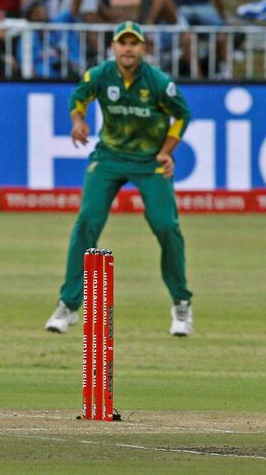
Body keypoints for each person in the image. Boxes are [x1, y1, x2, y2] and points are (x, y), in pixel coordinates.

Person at [44, 21, 194, 337]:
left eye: (134, 43)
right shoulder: (100, 75)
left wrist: (167, 151)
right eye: (122, 43)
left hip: (148, 160)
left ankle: (181, 303)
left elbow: (182, 114)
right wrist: (77, 121)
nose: (128, 48)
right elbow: (79, 96)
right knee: (87, 222)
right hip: (109, 157)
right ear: (114, 47)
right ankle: (68, 306)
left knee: (166, 226)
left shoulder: (157, 81)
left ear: (142, 48)